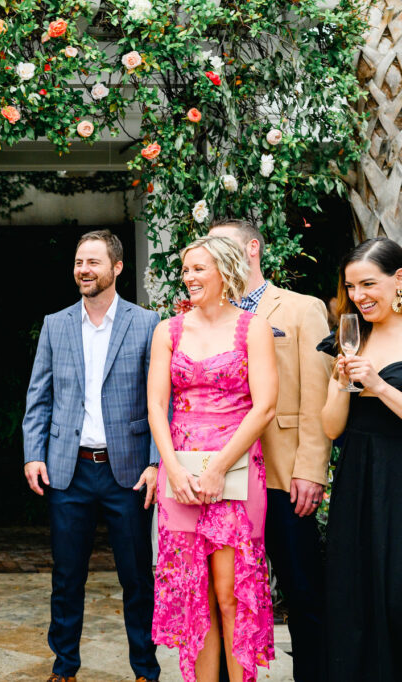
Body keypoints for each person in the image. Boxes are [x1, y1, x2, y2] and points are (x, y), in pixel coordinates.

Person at [22, 229, 161, 682]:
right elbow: (38, 398)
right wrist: (33, 454)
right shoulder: (55, 324)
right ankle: (64, 669)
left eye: (93, 262)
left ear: (117, 267)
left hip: (129, 472)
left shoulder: (146, 323)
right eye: (80, 261)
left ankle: (145, 669)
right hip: (69, 468)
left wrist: (157, 463)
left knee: (138, 579)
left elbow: (162, 399)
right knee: (66, 579)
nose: (84, 269)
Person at [149, 235, 277, 682]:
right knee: (193, 596)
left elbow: (265, 407)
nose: (189, 278)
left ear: (224, 271)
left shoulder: (252, 328)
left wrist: (220, 467)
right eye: (185, 270)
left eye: (198, 269)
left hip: (236, 474)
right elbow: (155, 408)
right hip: (181, 476)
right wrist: (174, 469)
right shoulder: (169, 330)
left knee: (229, 595)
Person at [209, 219, 331, 682]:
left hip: (283, 474)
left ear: (252, 248)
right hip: (225, 476)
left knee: (302, 590)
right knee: (226, 592)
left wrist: (311, 470)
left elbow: (317, 396)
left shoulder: (302, 309)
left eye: (224, 247)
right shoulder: (210, 314)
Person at [319, 237, 402, 679]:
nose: (359, 297)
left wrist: (381, 387)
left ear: (399, 279)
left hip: (398, 478)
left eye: (368, 283)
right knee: (356, 592)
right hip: (357, 479)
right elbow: (332, 429)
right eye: (351, 287)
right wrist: (339, 386)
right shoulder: (352, 337)